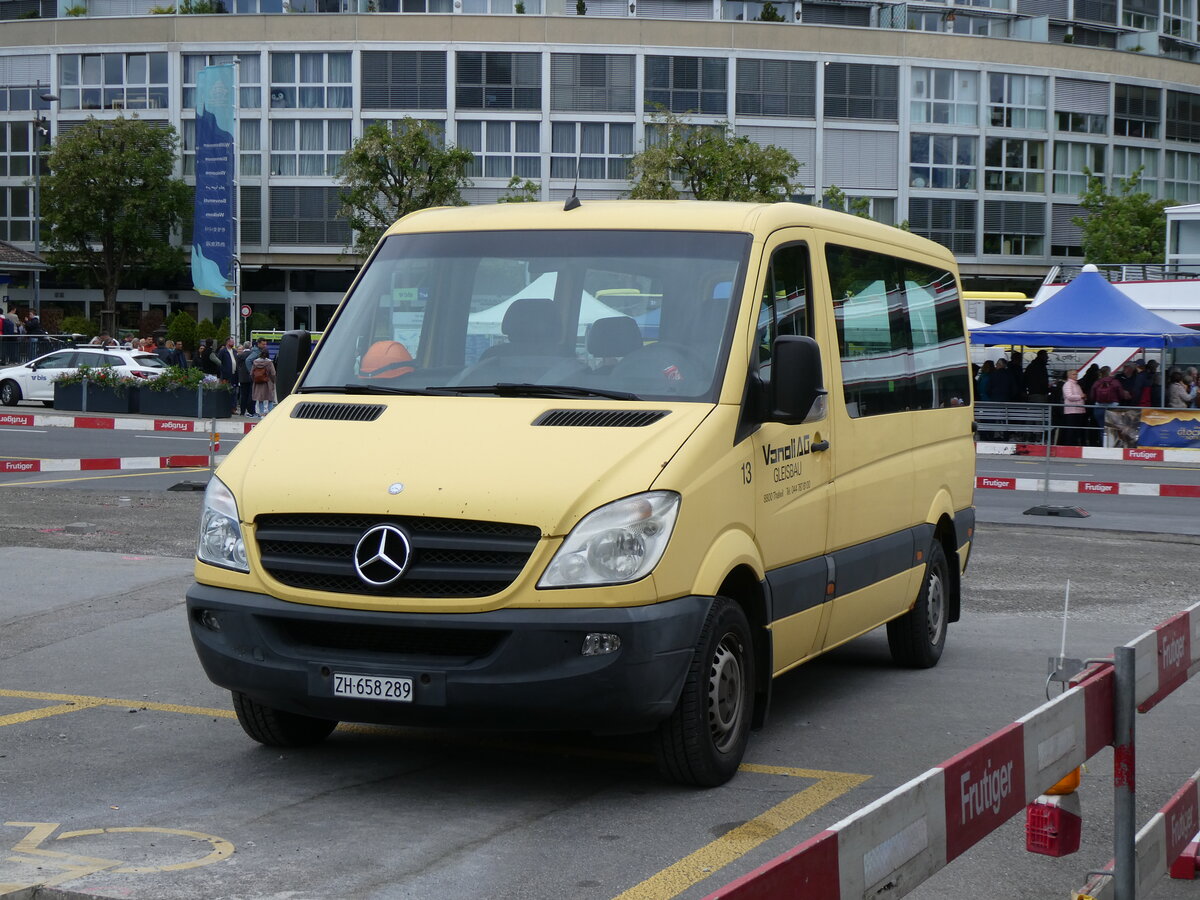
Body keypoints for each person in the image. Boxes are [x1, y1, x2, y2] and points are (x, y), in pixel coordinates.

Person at [1089, 366, 1124, 446]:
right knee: (1114, 428)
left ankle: (1103, 445)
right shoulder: (1115, 382)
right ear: (1109, 372)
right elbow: (1121, 395)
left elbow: (1092, 396)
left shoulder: (1097, 382)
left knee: (1102, 428)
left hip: (1099, 408)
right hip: (1113, 407)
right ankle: (1112, 445)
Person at [1060, 369, 1088, 445]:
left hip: (1079, 410)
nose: (1076, 376)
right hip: (1071, 411)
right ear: (1068, 375)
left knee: (1076, 430)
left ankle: (1074, 444)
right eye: (1073, 374)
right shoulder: (1068, 384)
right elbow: (1069, 396)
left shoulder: (1077, 385)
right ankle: (1070, 445)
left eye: (1076, 374)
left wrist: (1083, 397)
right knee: (1071, 431)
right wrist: (1081, 396)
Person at [218, 337, 240, 415]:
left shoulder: (234, 351)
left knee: (234, 392)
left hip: (234, 374)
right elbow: (219, 363)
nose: (233, 343)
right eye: (232, 342)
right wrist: (222, 374)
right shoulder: (223, 351)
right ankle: (225, 407)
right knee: (226, 392)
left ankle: (233, 408)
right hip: (226, 375)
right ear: (227, 342)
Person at [250, 352, 277, 416]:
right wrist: (273, 381)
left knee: (260, 399)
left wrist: (254, 379)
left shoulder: (255, 362)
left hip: (258, 382)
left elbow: (251, 373)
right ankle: (270, 413)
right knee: (270, 398)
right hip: (268, 382)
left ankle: (261, 413)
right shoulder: (269, 362)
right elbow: (273, 373)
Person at [236, 341, 255, 416]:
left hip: (242, 378)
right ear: (250, 346)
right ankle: (251, 410)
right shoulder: (253, 355)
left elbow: (238, 367)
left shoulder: (239, 356)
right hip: (251, 377)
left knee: (243, 395)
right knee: (251, 395)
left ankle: (242, 411)